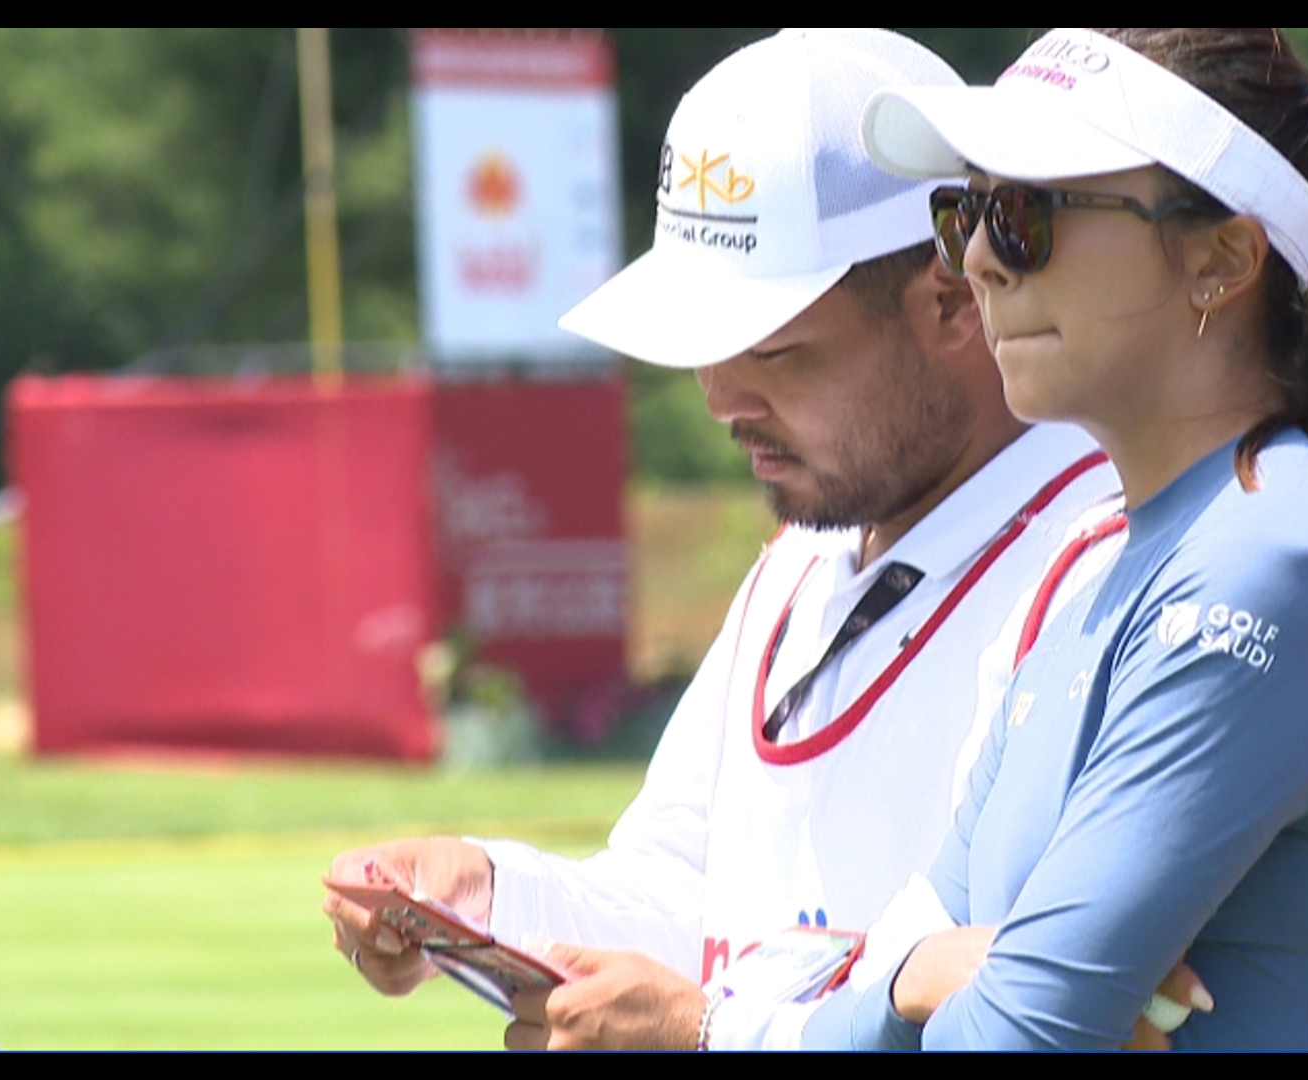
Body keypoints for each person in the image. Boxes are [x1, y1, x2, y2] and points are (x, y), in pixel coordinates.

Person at [324, 29, 1159, 1051]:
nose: (719, 398)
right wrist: (492, 897)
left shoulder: (1108, 571)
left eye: (775, 350)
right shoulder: (808, 556)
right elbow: (686, 899)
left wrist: (706, 1032)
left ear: (953, 301)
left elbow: (1045, 1007)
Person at [799, 27, 1308, 1050]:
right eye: (964, 212)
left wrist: (919, 987)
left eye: (1027, 213)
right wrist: (913, 981)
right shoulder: (1115, 574)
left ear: (1222, 258)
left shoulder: (1275, 562)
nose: (977, 260)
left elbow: (1013, 1037)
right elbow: (884, 1002)